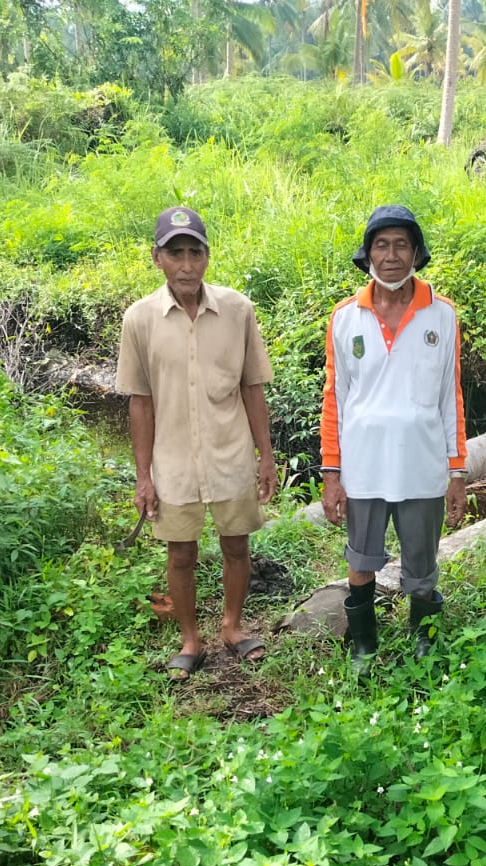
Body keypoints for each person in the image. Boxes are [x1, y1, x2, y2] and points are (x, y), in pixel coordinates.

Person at [117, 205, 277, 680]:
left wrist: (266, 455)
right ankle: (191, 639)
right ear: (157, 258)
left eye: (195, 252)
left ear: (207, 257)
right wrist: (143, 476)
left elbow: (252, 387)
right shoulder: (139, 320)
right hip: (173, 459)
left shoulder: (237, 310)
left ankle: (232, 626)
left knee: (236, 546)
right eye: (175, 253)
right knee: (180, 553)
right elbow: (140, 403)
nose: (186, 264)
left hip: (229, 450)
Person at [320, 204, 468, 665]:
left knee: (421, 566)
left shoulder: (442, 316)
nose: (391, 255)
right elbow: (335, 398)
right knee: (361, 560)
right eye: (381, 245)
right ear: (366, 255)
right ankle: (364, 642)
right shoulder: (345, 318)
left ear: (416, 253)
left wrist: (457, 469)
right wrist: (332, 472)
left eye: (401, 244)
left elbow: (451, 396)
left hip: (422, 466)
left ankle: (424, 638)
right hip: (364, 467)